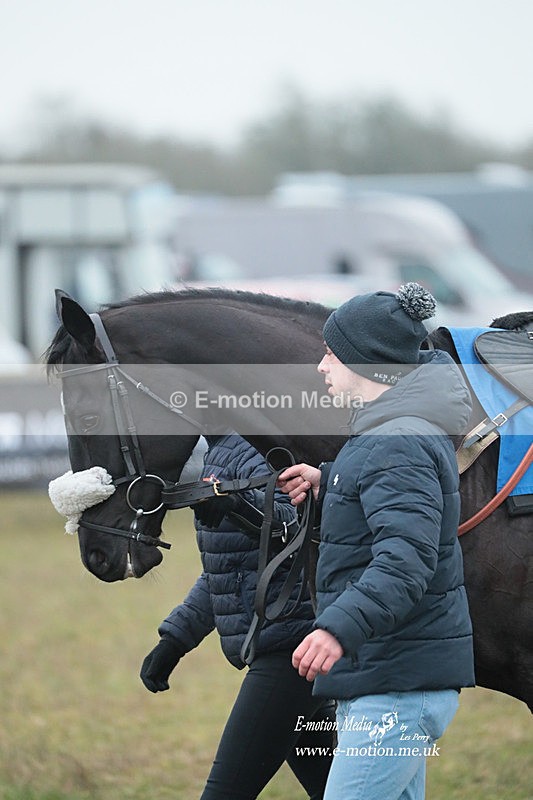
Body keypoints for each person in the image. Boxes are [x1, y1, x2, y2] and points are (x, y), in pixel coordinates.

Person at [277, 283, 475, 800]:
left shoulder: (397, 442)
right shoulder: (384, 436)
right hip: (390, 679)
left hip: (394, 688)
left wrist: (337, 630)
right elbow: (391, 509)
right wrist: (332, 482)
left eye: (331, 354)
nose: (321, 366)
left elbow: (406, 561)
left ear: (368, 363)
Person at [140, 434, 334, 800]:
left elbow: (292, 528)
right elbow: (229, 568)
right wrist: (175, 640)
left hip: (290, 650)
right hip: (290, 648)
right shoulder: (221, 450)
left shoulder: (259, 443)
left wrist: (236, 506)